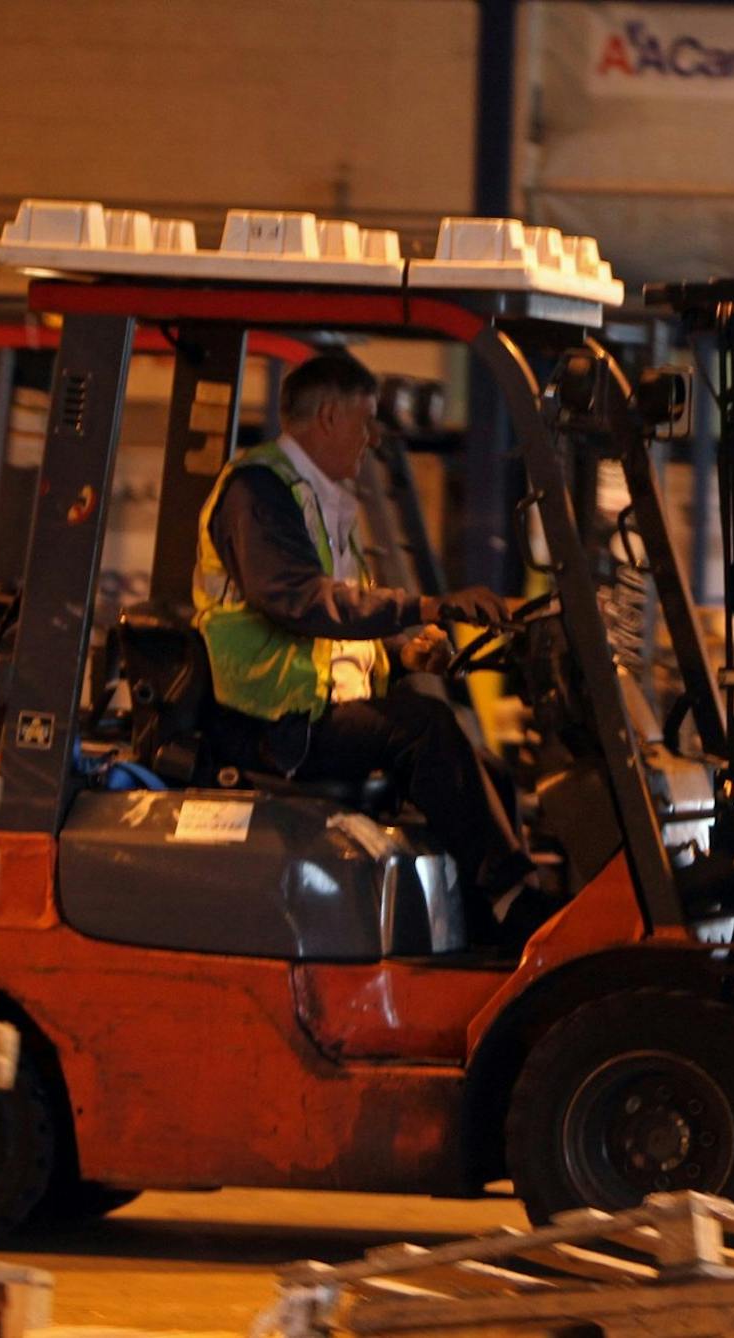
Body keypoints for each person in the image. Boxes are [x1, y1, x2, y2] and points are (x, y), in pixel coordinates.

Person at [191, 352, 557, 946]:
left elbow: (342, 619)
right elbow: (300, 602)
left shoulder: (320, 500)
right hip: (272, 721)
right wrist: (427, 607)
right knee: (426, 727)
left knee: (484, 766)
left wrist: (402, 651)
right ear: (329, 417)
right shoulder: (259, 492)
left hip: (314, 708)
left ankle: (488, 922)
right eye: (365, 421)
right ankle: (514, 904)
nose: (373, 437)